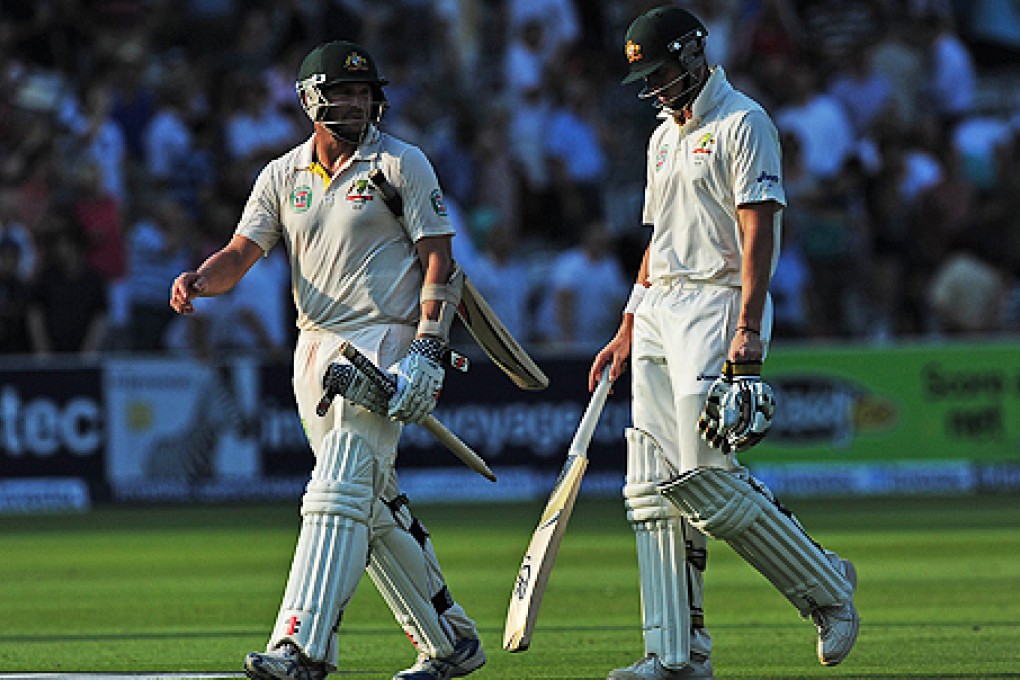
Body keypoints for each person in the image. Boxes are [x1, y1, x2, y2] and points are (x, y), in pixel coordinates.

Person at [169, 41, 485, 680]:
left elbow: (439, 260)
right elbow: (241, 251)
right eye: (342, 93)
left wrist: (428, 345)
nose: (356, 103)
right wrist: (200, 279)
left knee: (338, 487)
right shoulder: (281, 175)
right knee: (366, 504)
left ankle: (302, 646)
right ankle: (450, 643)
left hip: (386, 336)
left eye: (364, 92)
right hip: (313, 345)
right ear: (311, 99)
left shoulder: (401, 162)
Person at [588, 7, 859, 679]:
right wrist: (627, 322)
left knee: (707, 481)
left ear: (693, 56)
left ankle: (826, 587)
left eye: (660, 73)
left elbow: (758, 231)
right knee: (652, 486)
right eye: (644, 79)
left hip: (716, 301)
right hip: (658, 307)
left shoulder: (744, 122)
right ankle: (676, 654)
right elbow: (657, 241)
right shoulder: (661, 137)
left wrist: (747, 326)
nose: (655, 89)